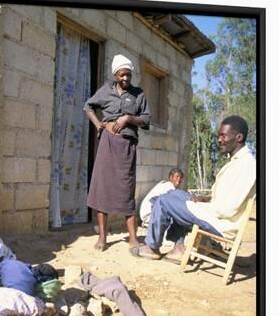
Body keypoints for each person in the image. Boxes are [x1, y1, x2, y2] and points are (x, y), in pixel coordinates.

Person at [131, 116, 256, 263]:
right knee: (176, 194)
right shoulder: (238, 162)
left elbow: (226, 209)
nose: (219, 140)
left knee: (165, 201)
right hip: (216, 216)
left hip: (221, 224)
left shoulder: (245, 165)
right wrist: (205, 199)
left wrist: (199, 206)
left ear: (238, 137)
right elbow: (230, 197)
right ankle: (178, 248)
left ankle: (152, 247)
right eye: (218, 136)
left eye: (223, 135)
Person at [83, 54, 151, 251]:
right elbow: (88, 106)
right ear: (115, 74)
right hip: (107, 144)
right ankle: (102, 238)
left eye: (128, 75)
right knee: (102, 188)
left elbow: (146, 119)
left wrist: (128, 118)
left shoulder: (138, 94)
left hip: (127, 146)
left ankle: (132, 238)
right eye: (122, 75)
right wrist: (98, 125)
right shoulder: (106, 90)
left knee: (126, 189)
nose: (126, 79)